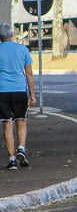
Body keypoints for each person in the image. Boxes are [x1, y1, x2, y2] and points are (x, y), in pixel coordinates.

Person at [0, 24, 34, 170]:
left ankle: (12, 159)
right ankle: (21, 147)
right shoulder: (22, 49)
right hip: (20, 89)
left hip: (2, 90)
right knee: (21, 120)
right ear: (12, 34)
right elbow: (29, 73)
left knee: (7, 123)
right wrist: (31, 94)